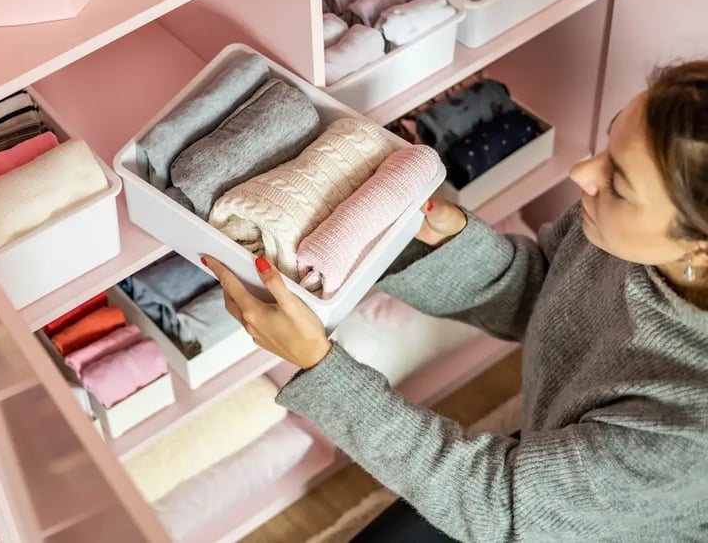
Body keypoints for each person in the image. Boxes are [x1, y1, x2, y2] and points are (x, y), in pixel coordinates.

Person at [200, 61, 708, 542]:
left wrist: (321, 364)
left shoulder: (687, 433)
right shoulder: (623, 237)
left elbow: (498, 505)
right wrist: (444, 244)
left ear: (698, 250)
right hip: (548, 482)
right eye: (609, 141)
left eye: (616, 184)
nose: (582, 174)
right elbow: (550, 300)